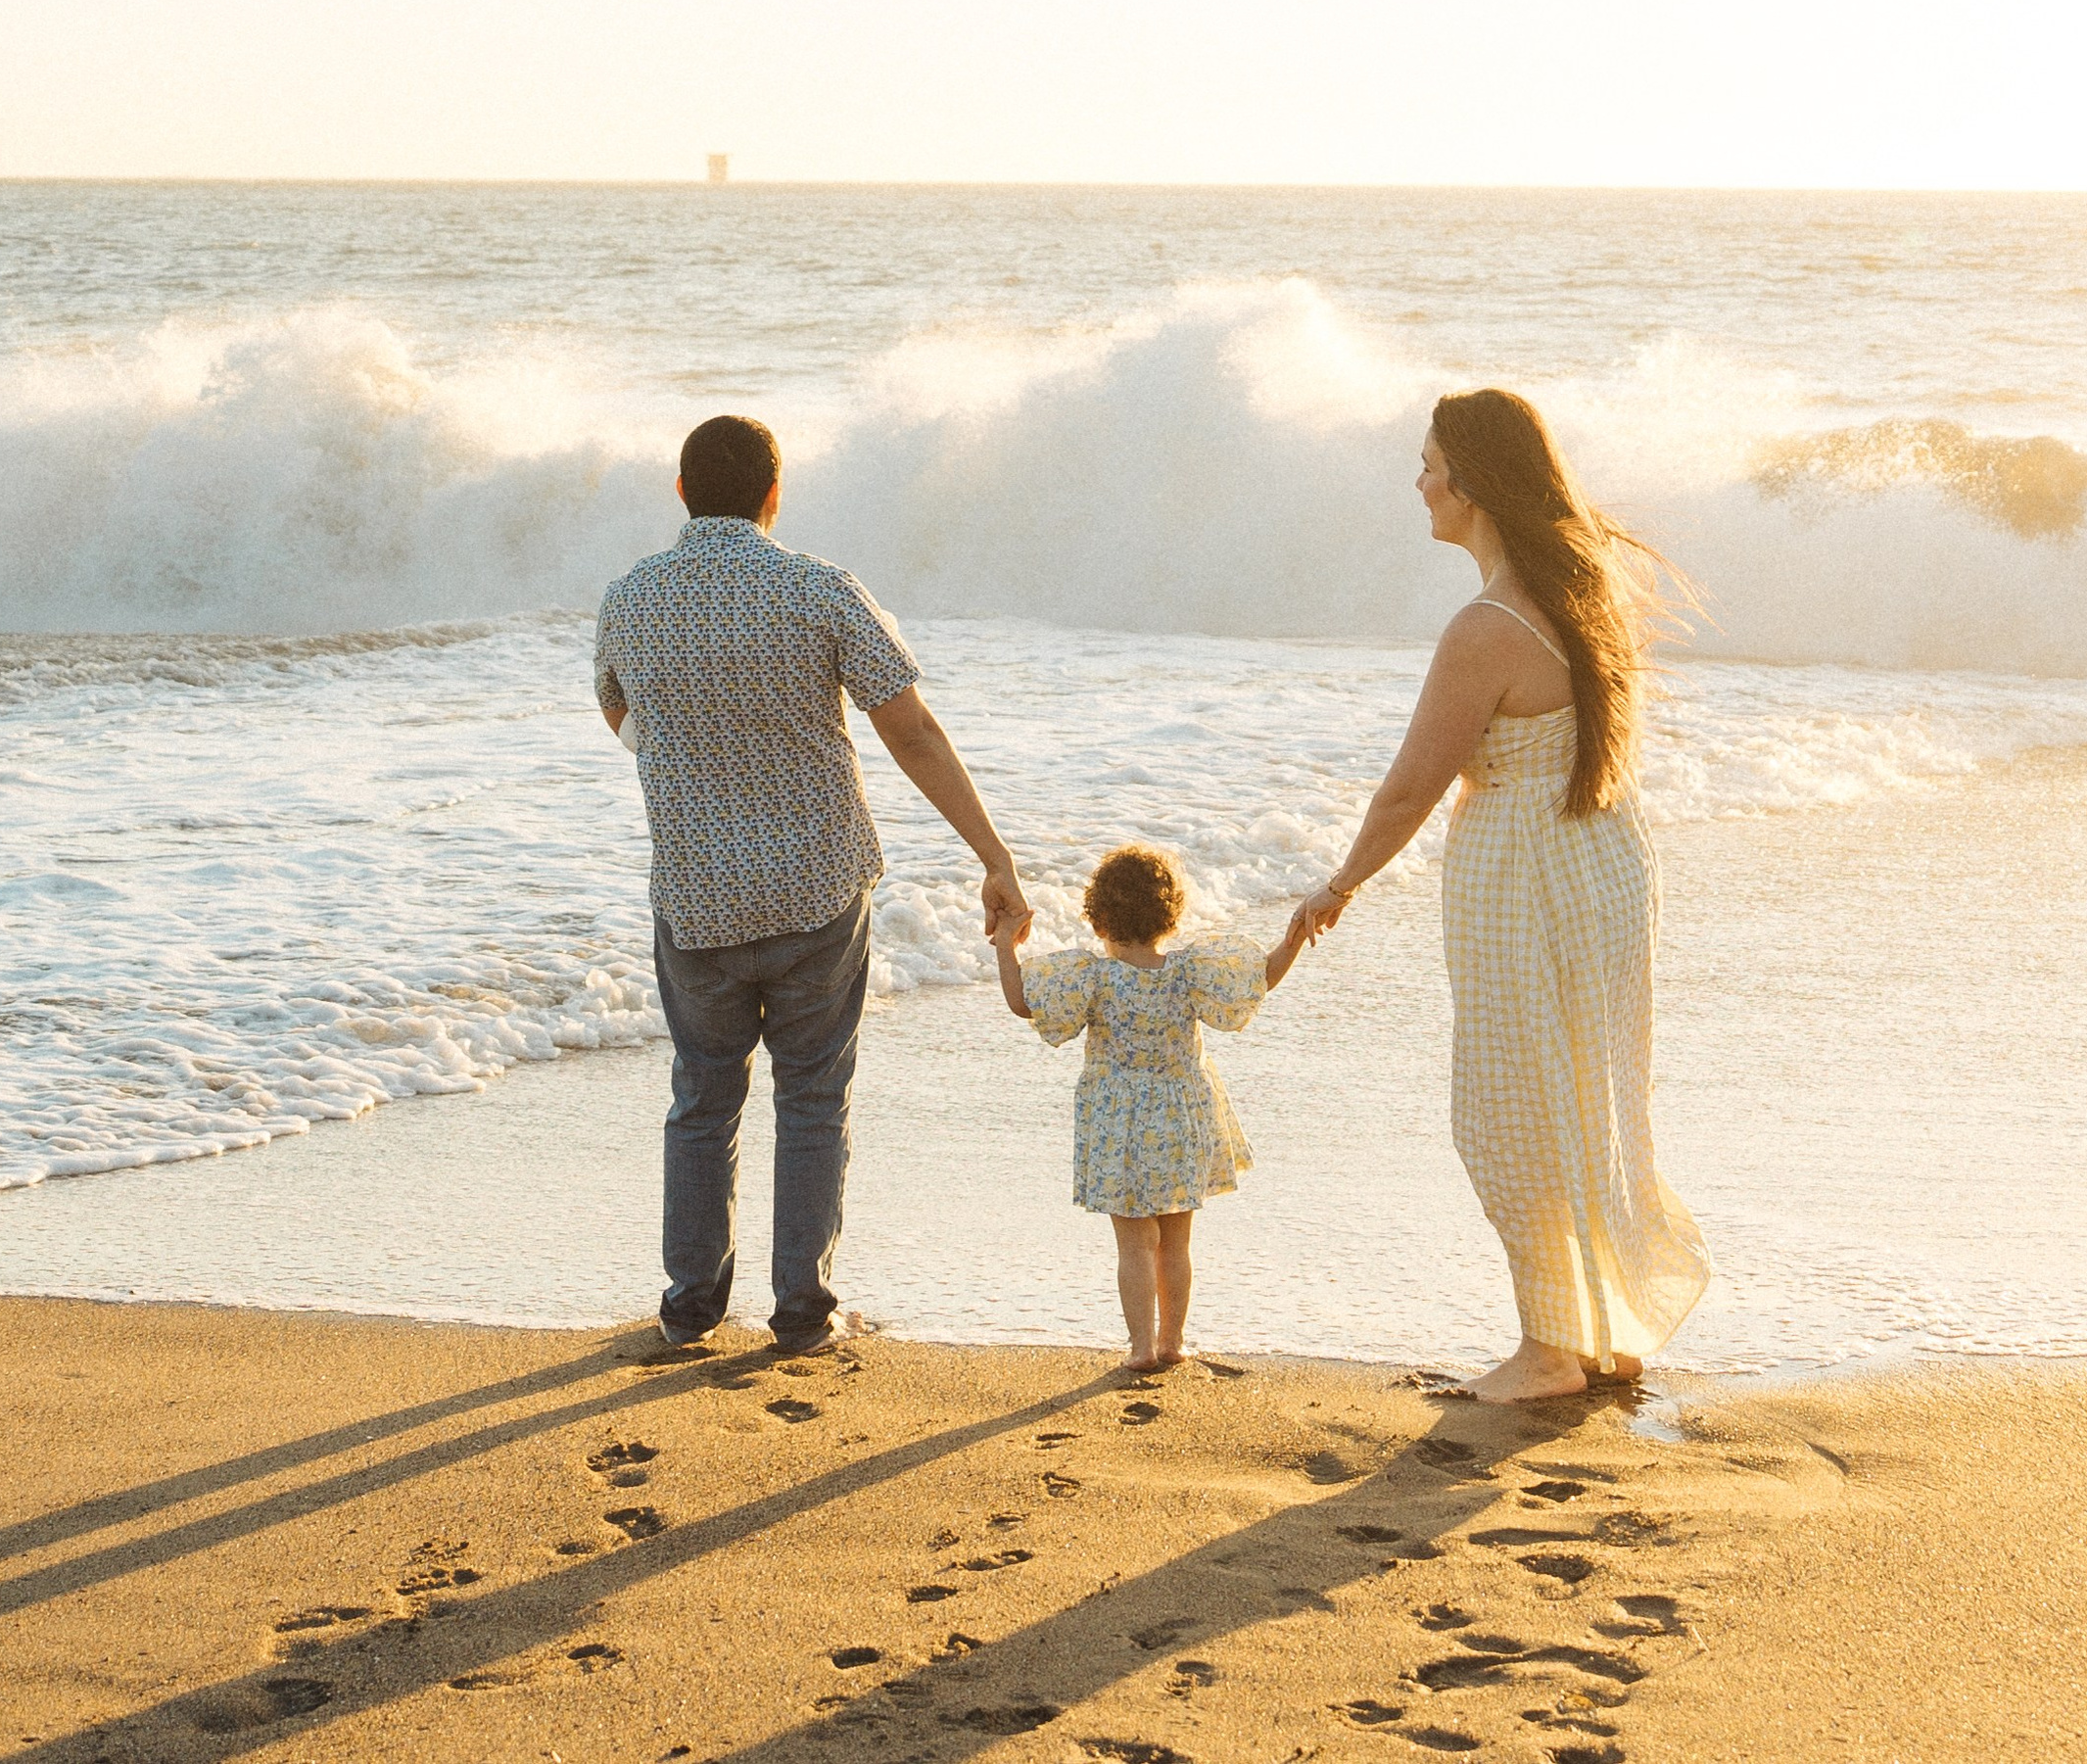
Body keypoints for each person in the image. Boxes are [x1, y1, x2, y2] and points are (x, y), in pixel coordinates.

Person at [1286, 387, 1708, 1403]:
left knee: (1510, 1105)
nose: (1419, 482)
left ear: (1470, 485)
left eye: (1430, 465)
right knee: (1591, 1096)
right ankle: (1601, 1332)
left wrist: (1336, 885)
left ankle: (1550, 1350)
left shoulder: (1484, 626)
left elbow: (1409, 788)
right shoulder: (1585, 588)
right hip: (1604, 857)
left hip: (1527, 874)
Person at [596, 411, 1031, 1359]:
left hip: (697, 895)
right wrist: (992, 855)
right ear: (774, 493)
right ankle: (801, 1312)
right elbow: (910, 729)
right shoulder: (819, 589)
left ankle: (688, 1308)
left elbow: (615, 700)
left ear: (682, 491)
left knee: (702, 1100)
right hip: (817, 890)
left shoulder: (629, 599)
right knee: (811, 1097)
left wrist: (676, 759)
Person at [995, 841, 1306, 1371]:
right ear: (1171, 917)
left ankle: (1140, 1348)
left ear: (1098, 918)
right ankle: (1172, 1343)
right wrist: (1292, 937)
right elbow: (1256, 981)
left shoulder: (1093, 977)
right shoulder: (1189, 972)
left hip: (1119, 1124)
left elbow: (1024, 1002)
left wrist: (1006, 944)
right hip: (1180, 1119)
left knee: (1135, 1246)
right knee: (1175, 1244)